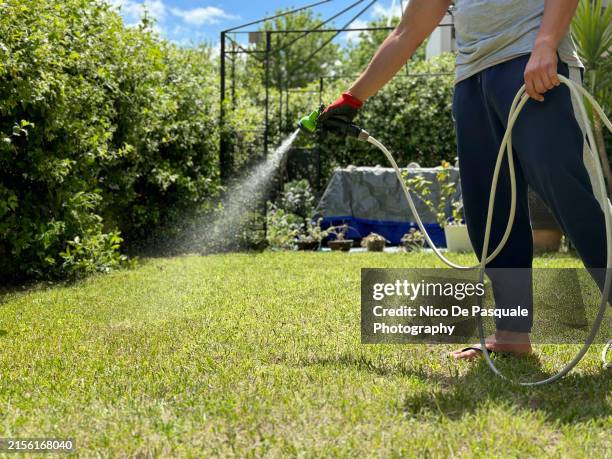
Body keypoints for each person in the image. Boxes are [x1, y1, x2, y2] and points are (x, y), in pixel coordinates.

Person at [318, 0, 609, 359]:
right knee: (490, 210)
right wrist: (352, 99)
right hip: (472, 80)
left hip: (536, 64)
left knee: (574, 197)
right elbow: (407, 32)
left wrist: (546, 43)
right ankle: (511, 334)